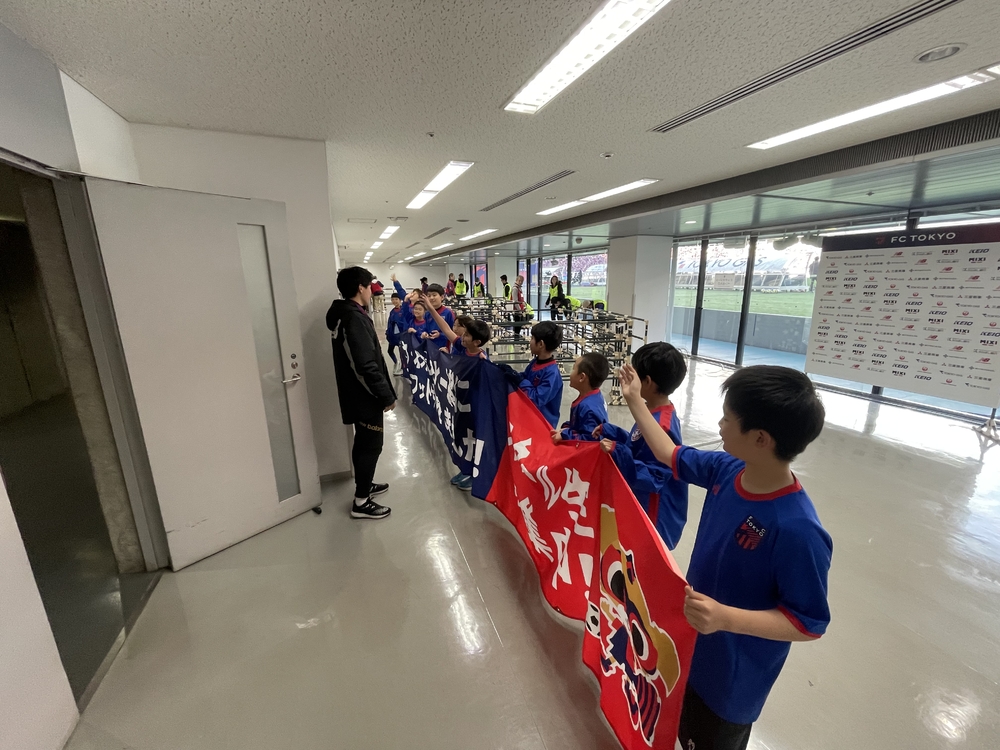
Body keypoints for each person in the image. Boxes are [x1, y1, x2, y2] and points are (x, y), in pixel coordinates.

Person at [615, 363, 831, 749]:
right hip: (691, 647)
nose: (719, 424)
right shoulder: (727, 469)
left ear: (760, 438)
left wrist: (724, 618)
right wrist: (634, 400)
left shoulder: (797, 529)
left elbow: (807, 623)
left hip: (731, 681)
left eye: (728, 419)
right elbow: (668, 453)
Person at [597, 342, 689, 549]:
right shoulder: (651, 412)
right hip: (642, 502)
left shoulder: (662, 425)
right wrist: (612, 432)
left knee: (645, 554)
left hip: (655, 512)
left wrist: (618, 452)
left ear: (647, 382)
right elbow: (638, 445)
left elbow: (654, 477)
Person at [326, 266, 396, 520]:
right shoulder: (353, 318)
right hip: (364, 396)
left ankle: (364, 484)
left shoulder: (346, 313)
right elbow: (364, 365)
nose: (371, 292)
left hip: (357, 393)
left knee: (363, 443)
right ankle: (361, 501)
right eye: (369, 287)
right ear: (360, 288)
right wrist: (385, 395)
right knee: (371, 446)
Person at [553, 352, 608, 442]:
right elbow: (581, 425)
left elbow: (589, 439)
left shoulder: (589, 408)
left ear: (582, 377)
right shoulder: (593, 396)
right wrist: (568, 428)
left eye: (573, 369)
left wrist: (566, 435)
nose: (570, 373)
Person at [518, 321, 564, 428]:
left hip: (542, 424)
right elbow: (526, 376)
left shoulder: (551, 373)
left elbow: (537, 399)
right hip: (531, 418)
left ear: (541, 344)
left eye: (532, 338)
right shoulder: (535, 362)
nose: (530, 342)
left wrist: (520, 381)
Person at [385, 292, 407, 375]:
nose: (394, 301)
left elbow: (405, 323)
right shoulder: (392, 312)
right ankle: (396, 362)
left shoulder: (403, 311)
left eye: (396, 299)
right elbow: (389, 323)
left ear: (400, 300)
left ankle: (403, 368)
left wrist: (398, 322)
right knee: (389, 351)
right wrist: (388, 332)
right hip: (392, 336)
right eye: (393, 299)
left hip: (401, 336)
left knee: (402, 353)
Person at [512, 274, 527, 339]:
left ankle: (517, 336)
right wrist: (519, 310)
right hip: (517, 310)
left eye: (522, 281)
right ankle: (516, 338)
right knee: (517, 325)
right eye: (519, 280)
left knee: (519, 325)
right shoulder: (515, 289)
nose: (521, 282)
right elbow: (515, 301)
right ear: (516, 280)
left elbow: (520, 299)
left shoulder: (519, 288)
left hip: (520, 309)